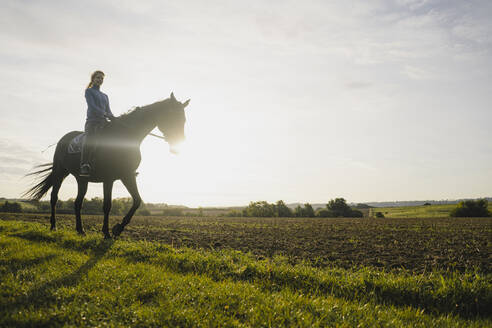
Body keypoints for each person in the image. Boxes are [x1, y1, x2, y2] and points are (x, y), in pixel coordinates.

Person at [80, 70, 115, 177]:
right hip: (92, 122)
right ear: (93, 79)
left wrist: (113, 117)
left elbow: (108, 110)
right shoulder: (89, 91)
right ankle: (84, 165)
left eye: (101, 78)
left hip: (104, 122)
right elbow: (92, 106)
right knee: (90, 140)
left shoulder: (105, 95)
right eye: (98, 78)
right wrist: (104, 113)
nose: (100, 80)